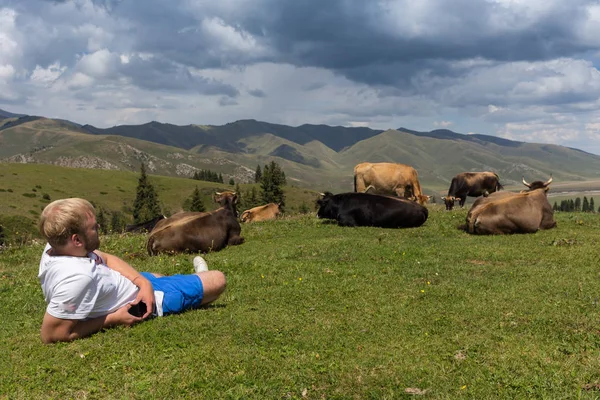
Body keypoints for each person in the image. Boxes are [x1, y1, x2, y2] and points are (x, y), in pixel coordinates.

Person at [37, 198, 226, 344]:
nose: (99, 228)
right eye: (94, 227)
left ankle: (184, 281)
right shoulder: (77, 278)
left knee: (157, 277)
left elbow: (108, 259)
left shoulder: (56, 247)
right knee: (217, 280)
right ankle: (198, 277)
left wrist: (142, 282)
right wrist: (113, 318)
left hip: (138, 285)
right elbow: (51, 334)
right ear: (77, 240)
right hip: (149, 302)